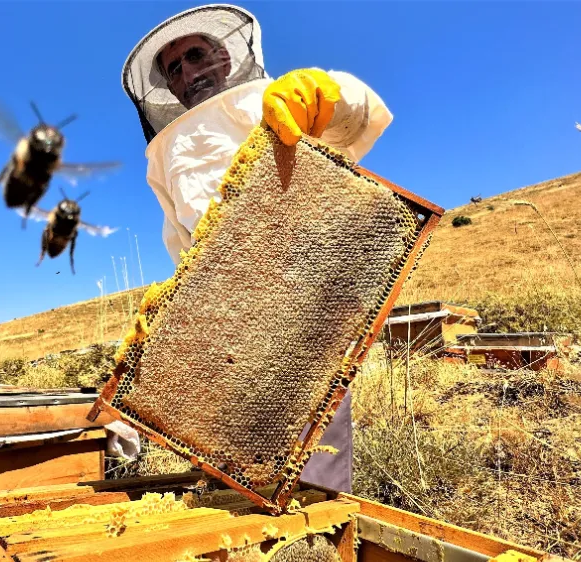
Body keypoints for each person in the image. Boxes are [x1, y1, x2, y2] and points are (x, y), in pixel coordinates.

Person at [121, 4, 395, 494]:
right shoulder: (166, 154)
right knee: (226, 468)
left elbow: (357, 113)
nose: (187, 71)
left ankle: (318, 534)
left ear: (225, 58)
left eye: (195, 54)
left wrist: (325, 95)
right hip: (226, 319)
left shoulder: (271, 98)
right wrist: (176, 306)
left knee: (313, 459)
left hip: (305, 299)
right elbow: (182, 240)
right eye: (173, 68)